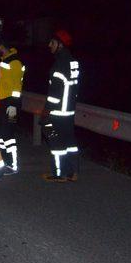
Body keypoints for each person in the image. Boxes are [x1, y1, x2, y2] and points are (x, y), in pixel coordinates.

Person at [40, 29, 80, 183]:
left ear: (60, 44)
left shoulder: (58, 66)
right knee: (70, 143)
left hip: (57, 112)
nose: (49, 45)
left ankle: (60, 174)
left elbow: (54, 94)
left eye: (52, 42)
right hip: (69, 111)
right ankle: (73, 172)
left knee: (57, 144)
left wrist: (46, 111)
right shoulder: (73, 62)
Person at [0, 32, 25, 174]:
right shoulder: (6, 60)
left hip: (12, 104)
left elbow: (16, 87)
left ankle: (13, 165)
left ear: (0, 46)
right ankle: (4, 162)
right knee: (1, 133)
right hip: (5, 102)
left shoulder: (14, 62)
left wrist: (12, 106)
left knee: (8, 134)